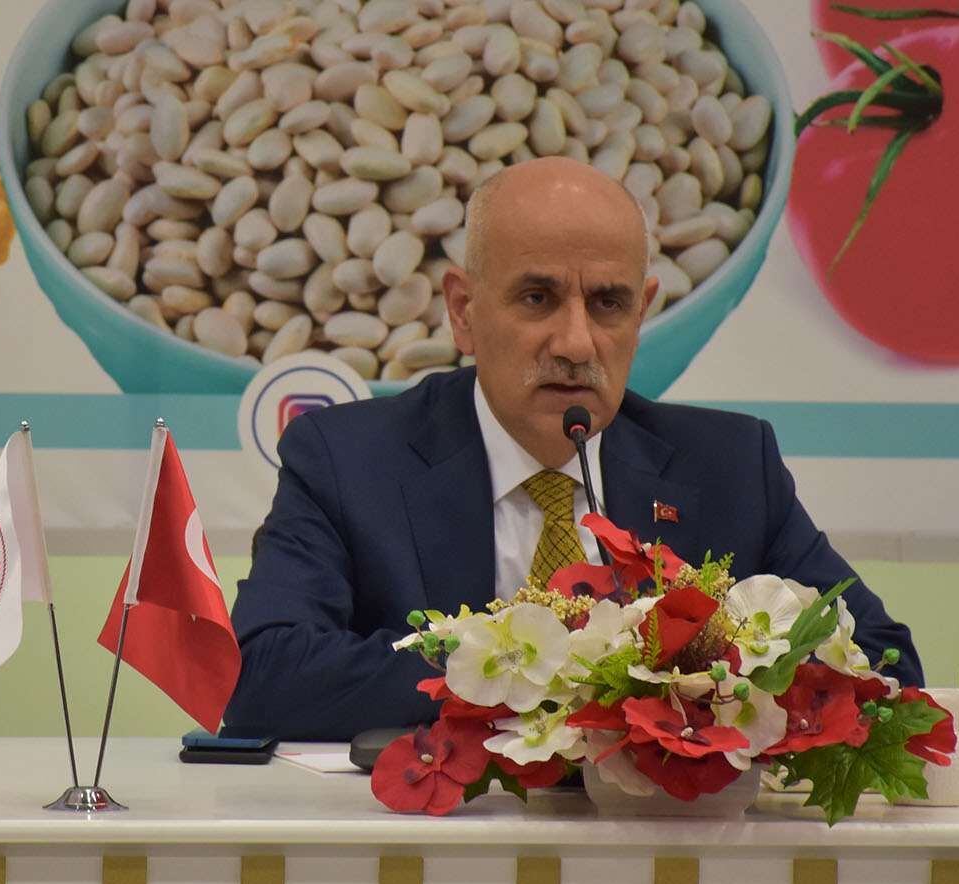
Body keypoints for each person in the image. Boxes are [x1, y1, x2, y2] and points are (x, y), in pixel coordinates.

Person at [224, 158, 922, 741]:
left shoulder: (731, 467)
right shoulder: (348, 459)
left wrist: (711, 681)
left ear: (642, 312)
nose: (577, 343)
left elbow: (885, 662)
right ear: (464, 311)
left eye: (609, 304)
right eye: (537, 298)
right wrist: (535, 667)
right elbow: (262, 674)